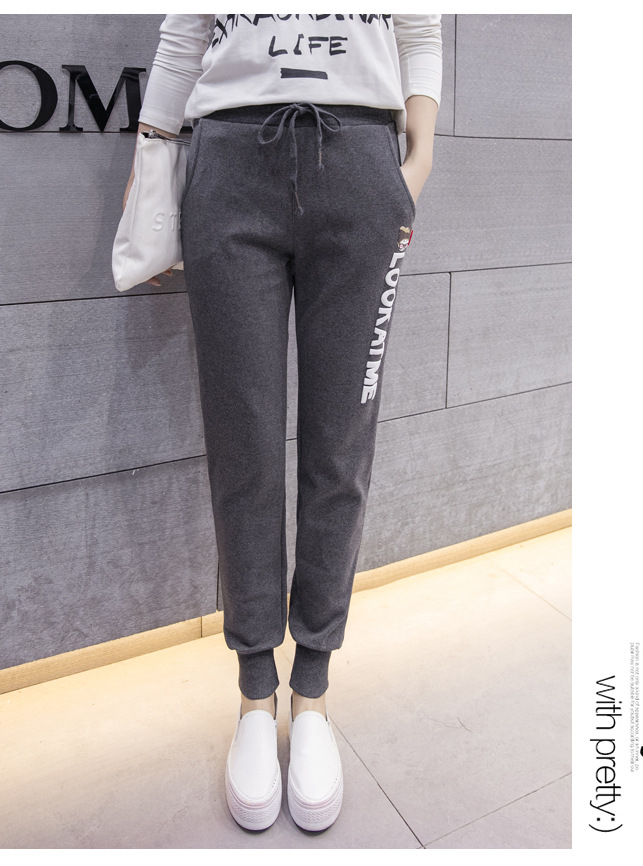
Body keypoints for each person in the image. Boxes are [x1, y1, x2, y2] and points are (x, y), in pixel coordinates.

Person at [124, 13, 442, 833]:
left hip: (362, 168)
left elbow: (420, 31)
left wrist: (416, 163)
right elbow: (182, 36)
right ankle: (255, 694)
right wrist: (151, 157)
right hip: (230, 165)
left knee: (340, 448)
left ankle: (313, 692)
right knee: (245, 450)